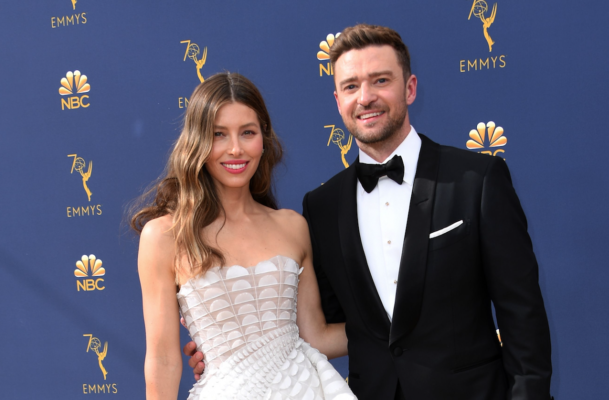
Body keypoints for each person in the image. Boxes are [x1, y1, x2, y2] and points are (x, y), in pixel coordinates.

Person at [186, 24, 553, 400]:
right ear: (337, 100)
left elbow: (522, 314)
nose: (366, 97)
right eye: (351, 86)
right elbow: (314, 327)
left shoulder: (477, 180)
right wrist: (223, 351)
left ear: (409, 88)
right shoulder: (322, 206)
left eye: (380, 80)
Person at [132, 72, 356, 399]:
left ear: (263, 139)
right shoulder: (165, 236)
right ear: (197, 143)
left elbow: (316, 337)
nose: (235, 149)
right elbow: (163, 360)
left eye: (247, 133)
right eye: (218, 134)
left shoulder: (292, 226)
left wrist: (397, 327)